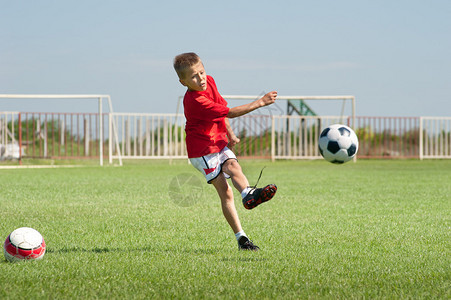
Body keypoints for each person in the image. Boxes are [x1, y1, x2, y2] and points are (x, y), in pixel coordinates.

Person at [173, 52, 277, 251]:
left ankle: (248, 195)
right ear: (183, 82)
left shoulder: (210, 81)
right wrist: (260, 103)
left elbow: (222, 108)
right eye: (194, 76)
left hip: (218, 141)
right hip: (201, 150)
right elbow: (229, 112)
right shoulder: (195, 101)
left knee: (233, 165)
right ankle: (242, 239)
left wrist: (230, 134)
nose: (201, 78)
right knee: (226, 193)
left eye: (202, 72)